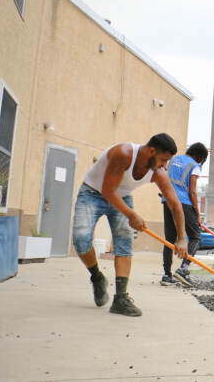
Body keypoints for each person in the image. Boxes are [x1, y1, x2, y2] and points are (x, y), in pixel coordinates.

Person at [72, 133, 187, 317]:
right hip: (93, 192)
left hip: (122, 198)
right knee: (80, 240)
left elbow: (175, 204)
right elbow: (108, 192)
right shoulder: (123, 153)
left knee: (124, 244)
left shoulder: (158, 172)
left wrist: (181, 238)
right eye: (163, 160)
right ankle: (97, 277)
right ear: (151, 151)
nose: (165, 166)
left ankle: (121, 299)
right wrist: (132, 215)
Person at [160, 142, 208, 287]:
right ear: (199, 157)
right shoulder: (194, 165)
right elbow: (192, 191)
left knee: (169, 239)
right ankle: (183, 269)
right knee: (195, 237)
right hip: (184, 203)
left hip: (167, 200)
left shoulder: (172, 159)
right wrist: (197, 213)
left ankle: (166, 275)